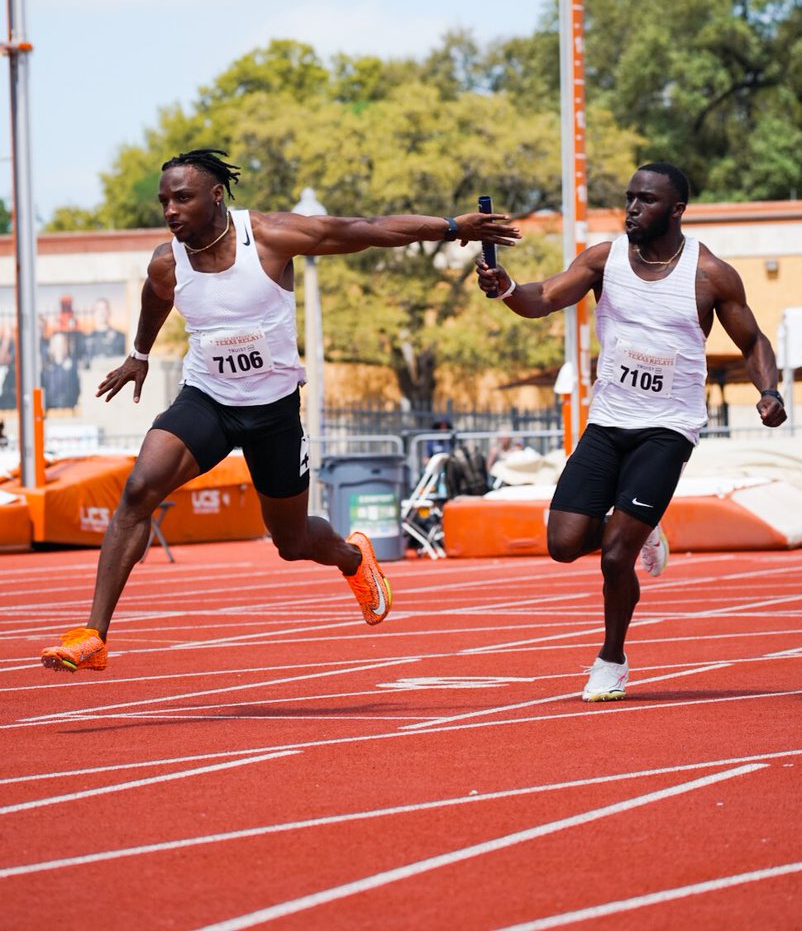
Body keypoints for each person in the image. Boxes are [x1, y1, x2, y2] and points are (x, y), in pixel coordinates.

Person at [41, 147, 519, 673]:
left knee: (290, 542)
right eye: (164, 202)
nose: (170, 211)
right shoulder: (166, 261)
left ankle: (353, 558)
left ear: (215, 195)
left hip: (272, 411)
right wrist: (139, 354)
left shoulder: (268, 237)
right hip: (208, 398)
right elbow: (156, 298)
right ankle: (95, 635)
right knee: (138, 491)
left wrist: (452, 227)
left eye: (182, 198)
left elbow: (363, 228)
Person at [476, 161, 787, 702]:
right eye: (630, 198)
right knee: (563, 543)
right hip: (609, 422)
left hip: (668, 428)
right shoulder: (605, 259)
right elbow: (544, 297)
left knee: (616, 555)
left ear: (676, 209)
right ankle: (644, 530)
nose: (632, 208)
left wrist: (770, 392)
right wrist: (505, 288)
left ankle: (611, 658)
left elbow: (754, 341)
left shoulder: (710, 275)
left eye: (646, 200)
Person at [41, 330, 81, 411]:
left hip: (69, 411)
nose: (59, 347)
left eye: (61, 344)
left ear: (66, 345)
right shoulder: (45, 369)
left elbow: (76, 391)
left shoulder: (73, 367)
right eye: (56, 344)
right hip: (50, 412)